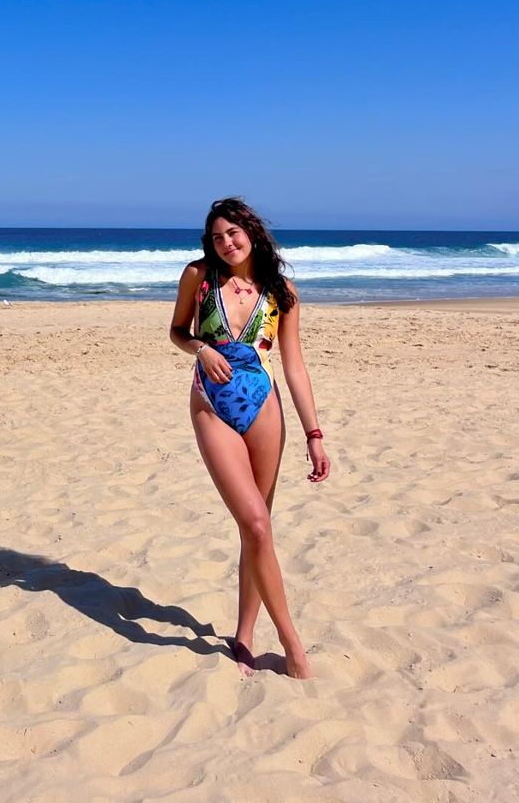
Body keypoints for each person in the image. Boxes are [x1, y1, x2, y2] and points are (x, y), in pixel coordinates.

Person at [169, 197, 329, 679]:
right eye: (217, 237)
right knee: (256, 523)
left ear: (252, 233)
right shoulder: (199, 277)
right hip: (210, 403)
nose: (226, 243)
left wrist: (314, 434)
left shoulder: (282, 292)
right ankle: (291, 641)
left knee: (256, 528)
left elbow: (294, 366)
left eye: (233, 233)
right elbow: (176, 330)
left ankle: (244, 635)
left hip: (264, 405)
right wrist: (199, 349)